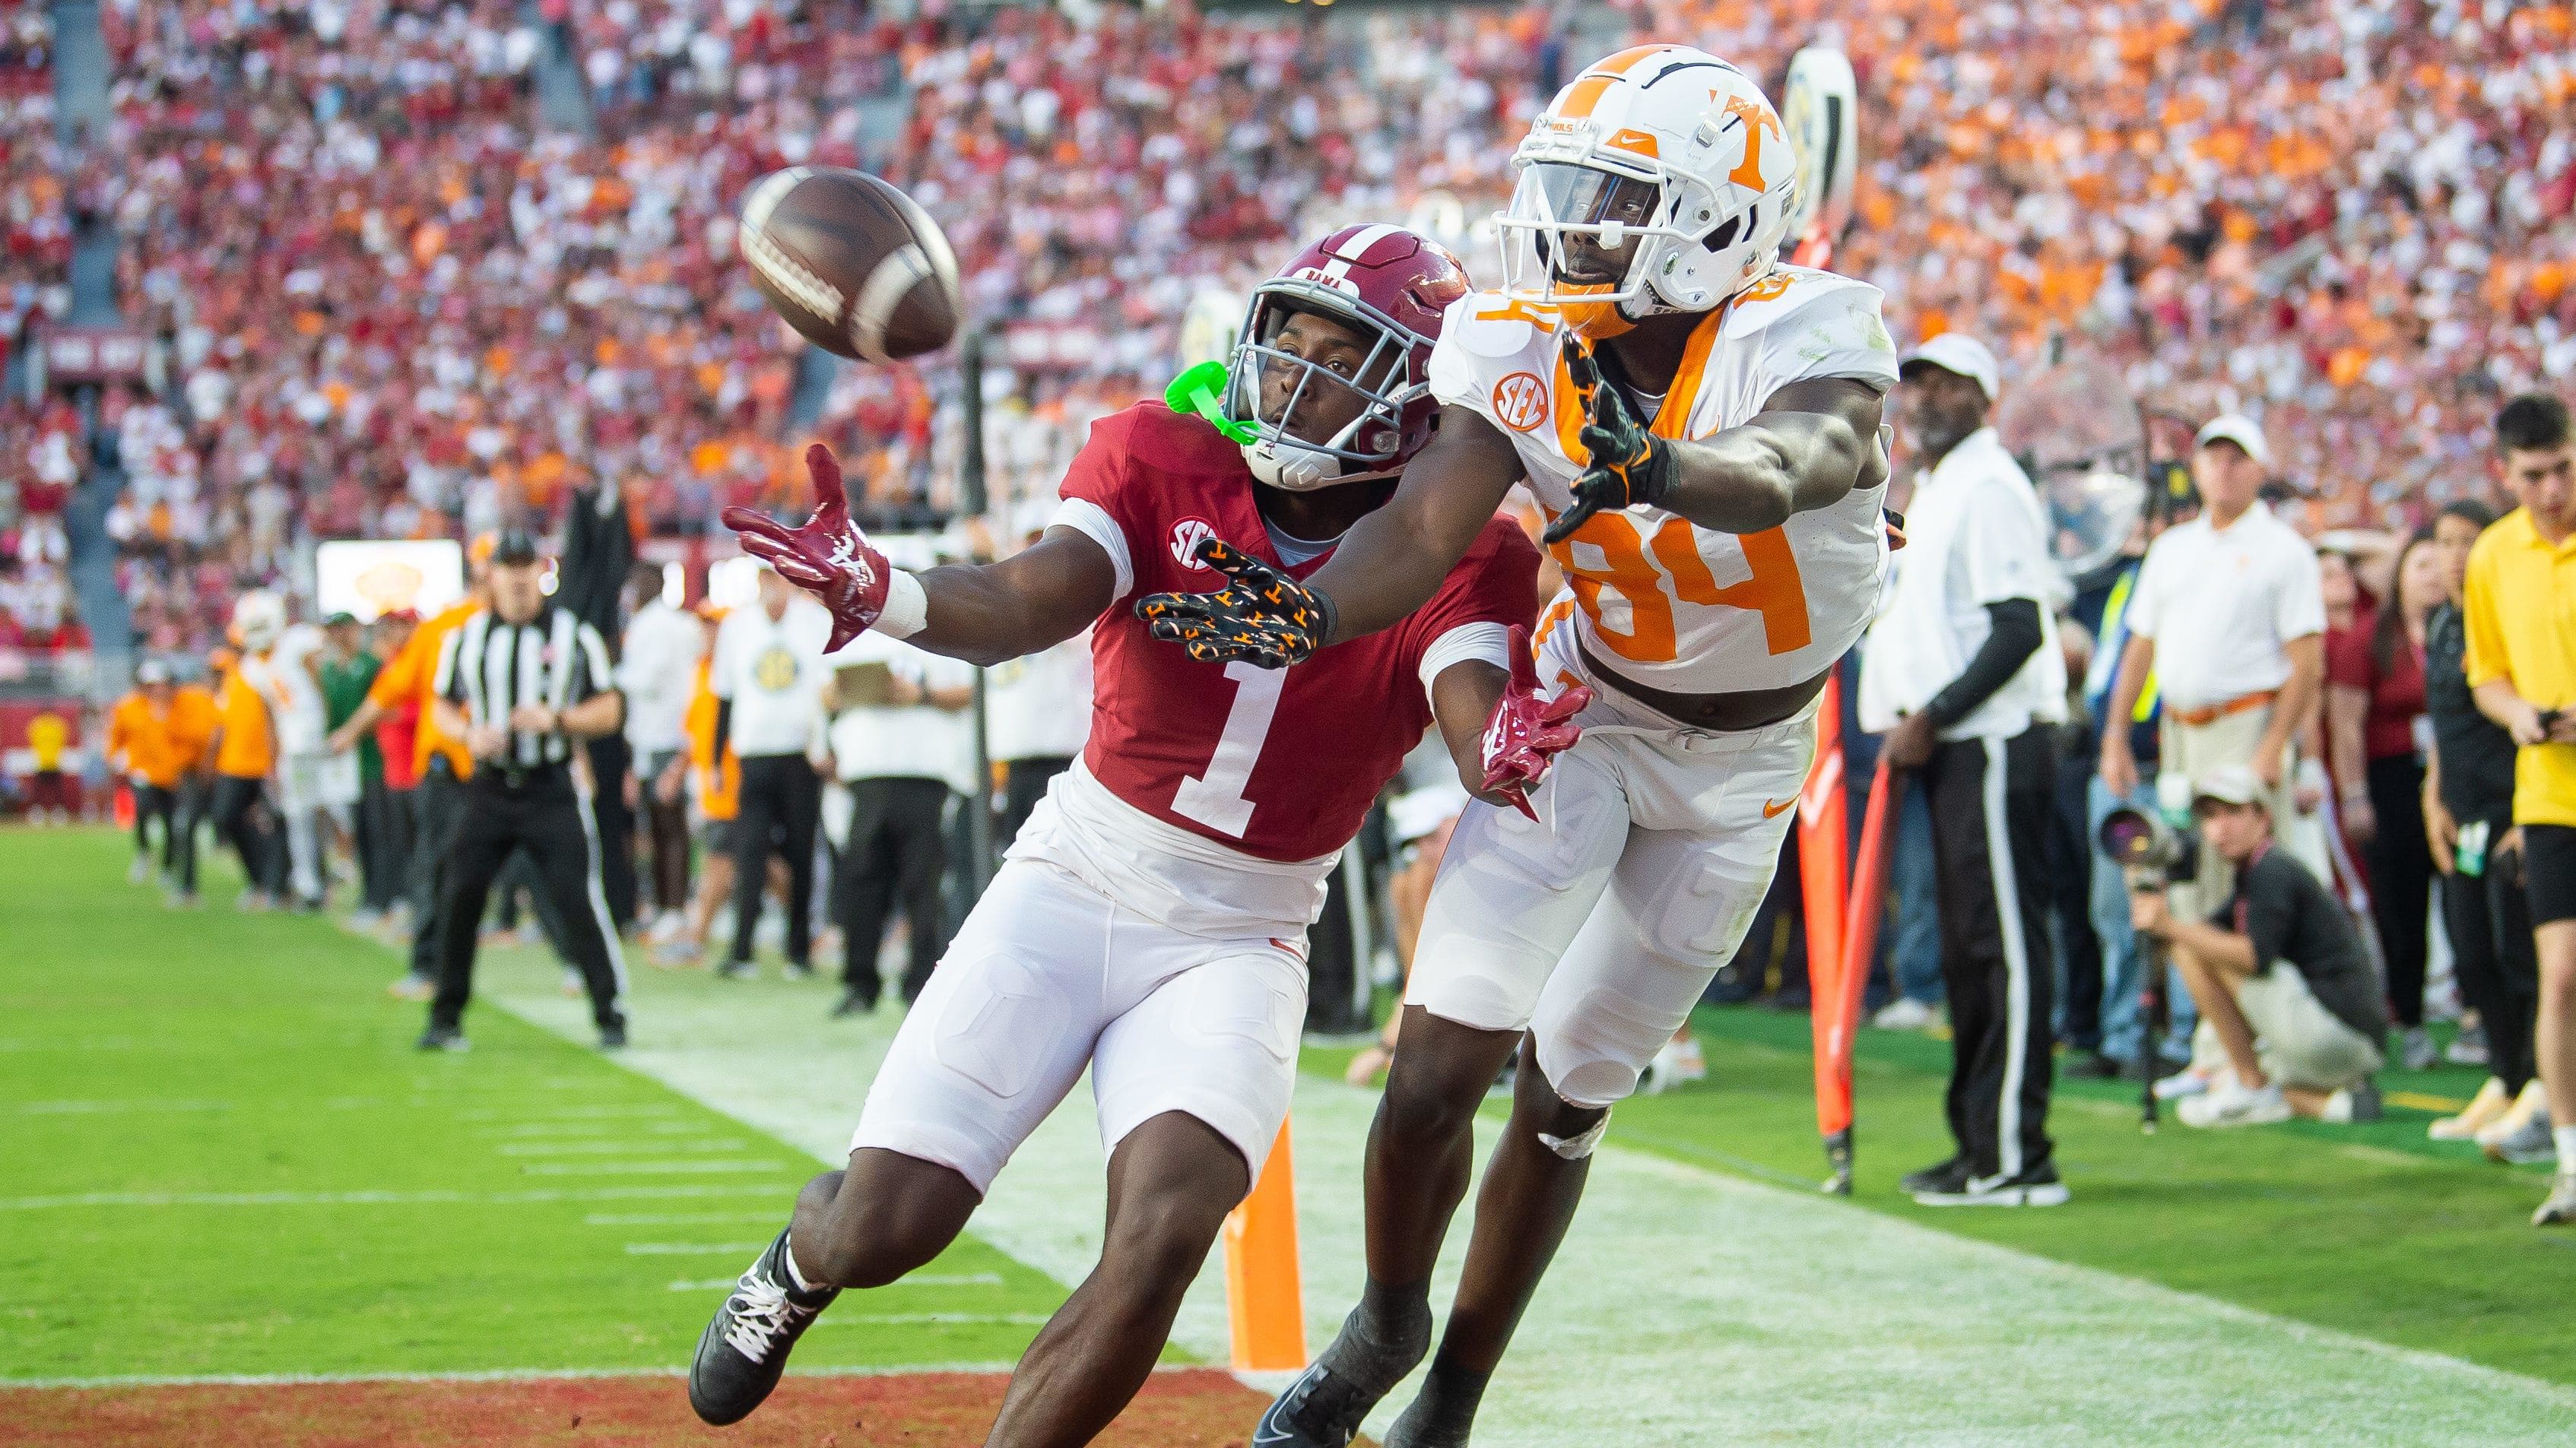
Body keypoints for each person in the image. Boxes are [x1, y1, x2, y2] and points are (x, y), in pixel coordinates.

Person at [1140, 52, 1903, 1446]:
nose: (1572, 226)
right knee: (1435, 1064)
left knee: (1563, 1100)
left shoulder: (1812, 325)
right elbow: (1425, 532)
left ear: (1719, 220)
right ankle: (1381, 1321)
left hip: (1740, 770)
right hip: (1585, 710)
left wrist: (1649, 467)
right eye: (1567, 189)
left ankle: (1456, 1398)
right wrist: (1305, 609)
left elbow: (1800, 464)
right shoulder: (1514, 338)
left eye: (1613, 201)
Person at [691, 224, 1556, 1448]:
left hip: (1247, 928)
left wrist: (1506, 740)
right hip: (1080, 874)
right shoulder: (1159, 453)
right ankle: (798, 1262)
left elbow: (1472, 695)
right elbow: (1031, 596)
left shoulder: (1471, 551)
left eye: (1338, 357)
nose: (1294, 378)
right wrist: (892, 589)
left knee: (1163, 1235)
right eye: (1288, 345)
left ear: (1417, 406)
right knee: (887, 1223)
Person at [1859, 334, 2070, 1206]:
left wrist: (1932, 715)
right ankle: (1978, 1140)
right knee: (1968, 950)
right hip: (1951, 746)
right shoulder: (1943, 488)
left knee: (2002, 952)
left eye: (1946, 385)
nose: (1925, 399)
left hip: (1987, 738)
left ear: (1983, 396)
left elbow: (2019, 627)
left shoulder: (1988, 486)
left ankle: (2018, 1155)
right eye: (1916, 385)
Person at [2102, 414, 2328, 1099]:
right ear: (2195, 469)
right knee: (2189, 883)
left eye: (2237, 459)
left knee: (2250, 885)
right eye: (2213, 458)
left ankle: (2261, 1044)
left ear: (2258, 469)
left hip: (2243, 724)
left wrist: (2272, 744)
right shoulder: (2172, 549)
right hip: (2180, 732)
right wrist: (2116, 733)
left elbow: (2307, 661)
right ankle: (2212, 1048)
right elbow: (2138, 646)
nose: (2223, 470)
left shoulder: (2283, 549)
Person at [417, 529, 628, 1053]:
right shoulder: (465, 638)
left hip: (549, 785)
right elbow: (440, 706)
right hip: (487, 787)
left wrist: (556, 718)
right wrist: (468, 733)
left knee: (576, 900)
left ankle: (610, 1010)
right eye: (505, 565)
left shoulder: (574, 634)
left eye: (523, 565)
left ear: (540, 570)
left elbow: (609, 710)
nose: (515, 576)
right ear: (490, 574)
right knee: (459, 894)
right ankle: (446, 1016)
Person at [2460, 392, 2576, 1226]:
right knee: (2561, 979)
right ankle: (2572, 1161)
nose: (2551, 490)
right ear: (2505, 473)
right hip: (2548, 792)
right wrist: (2519, 716)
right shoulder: (2492, 557)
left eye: (2564, 469)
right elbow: (2486, 672)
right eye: (2533, 475)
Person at [2129, 765, 2387, 1126]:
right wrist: (2149, 889)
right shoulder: (2256, 872)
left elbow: (2253, 958)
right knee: (2220, 1074)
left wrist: (2170, 926)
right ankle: (2328, 1105)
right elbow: (2204, 931)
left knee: (2192, 949)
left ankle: (2251, 1085)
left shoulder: (2273, 871)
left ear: (2263, 817)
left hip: (2338, 1034)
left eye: (2234, 813)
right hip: (2343, 1038)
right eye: (2211, 816)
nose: (2221, 828)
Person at [2420, 500, 2546, 1152]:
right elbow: (2447, 724)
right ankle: (2503, 1073)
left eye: (2469, 541)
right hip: (2462, 813)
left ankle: (2538, 1083)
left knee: (2520, 955)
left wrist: (2526, 814)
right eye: (2445, 541)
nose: (2456, 555)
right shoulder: (2442, 621)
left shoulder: (2504, 618)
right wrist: (2433, 788)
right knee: (2471, 951)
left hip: (2512, 811)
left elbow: (2528, 715)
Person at [329, 538, 493, 998]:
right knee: (435, 868)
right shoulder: (441, 630)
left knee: (540, 864)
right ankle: (429, 967)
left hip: (507, 767)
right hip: (450, 766)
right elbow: (389, 695)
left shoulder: (537, 631)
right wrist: (349, 733)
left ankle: (576, 963)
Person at [2327, 533, 2440, 1069]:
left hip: (2457, 777)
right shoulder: (2372, 637)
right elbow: (2345, 724)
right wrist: (2354, 795)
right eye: (2421, 564)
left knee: (2470, 901)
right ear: (2397, 575)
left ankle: (2481, 1016)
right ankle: (2412, 1017)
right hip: (2392, 780)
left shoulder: (2462, 629)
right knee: (2402, 903)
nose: (2434, 574)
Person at [820, 631, 974, 1016]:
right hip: (868, 772)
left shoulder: (946, 634)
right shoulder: (858, 637)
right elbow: (825, 694)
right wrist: (858, 691)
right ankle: (860, 983)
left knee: (923, 886)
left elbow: (968, 693)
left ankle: (921, 981)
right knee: (862, 883)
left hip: (924, 772)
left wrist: (919, 695)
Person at [709, 567, 833, 981]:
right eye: (765, 577)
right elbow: (724, 696)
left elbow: (826, 689)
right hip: (755, 753)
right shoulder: (737, 626)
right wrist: (715, 760)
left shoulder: (815, 623)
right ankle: (742, 948)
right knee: (749, 851)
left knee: (801, 852)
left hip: (801, 753)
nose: (771, 586)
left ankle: (799, 950)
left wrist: (826, 746)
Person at [617, 561, 703, 941]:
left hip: (663, 738)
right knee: (665, 828)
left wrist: (608, 676)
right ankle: (670, 905)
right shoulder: (679, 623)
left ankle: (674, 906)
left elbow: (647, 681)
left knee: (667, 828)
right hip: (671, 735)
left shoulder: (653, 625)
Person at [107, 660, 214, 900]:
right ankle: (146, 853)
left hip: (179, 774)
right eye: (151, 686)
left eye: (161, 685)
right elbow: (118, 737)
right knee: (145, 811)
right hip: (145, 772)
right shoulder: (130, 707)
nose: (157, 691)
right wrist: (115, 759)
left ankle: (170, 869)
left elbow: (199, 736)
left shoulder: (181, 704)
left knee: (173, 822)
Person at [208, 603, 289, 909]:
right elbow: (224, 721)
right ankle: (260, 880)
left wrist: (276, 759)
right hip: (236, 763)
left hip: (265, 762)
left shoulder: (266, 669)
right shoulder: (234, 674)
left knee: (280, 823)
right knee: (227, 818)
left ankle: (277, 884)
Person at [318, 612, 394, 920]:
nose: (339, 635)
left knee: (378, 830)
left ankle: (383, 896)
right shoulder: (330, 671)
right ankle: (370, 895)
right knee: (357, 829)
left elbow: (381, 708)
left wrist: (352, 733)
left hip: (373, 758)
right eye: (334, 630)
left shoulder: (371, 665)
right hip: (345, 765)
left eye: (343, 629)